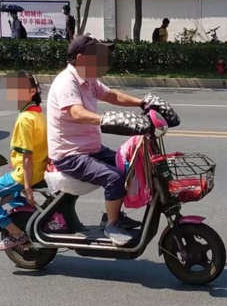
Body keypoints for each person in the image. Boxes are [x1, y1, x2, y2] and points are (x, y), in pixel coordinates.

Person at [47, 36, 153, 245]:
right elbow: (77, 113)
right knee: (113, 177)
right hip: (70, 155)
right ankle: (112, 225)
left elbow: (112, 95)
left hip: (90, 148)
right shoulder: (67, 82)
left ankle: (114, 214)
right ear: (81, 58)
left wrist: (143, 103)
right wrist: (108, 118)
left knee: (129, 164)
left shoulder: (89, 80)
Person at [0, 72, 49, 251]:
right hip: (37, 170)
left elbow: (27, 157)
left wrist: (28, 189)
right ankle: (31, 220)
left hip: (23, 175)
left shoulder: (24, 119)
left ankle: (16, 234)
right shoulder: (37, 115)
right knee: (13, 196)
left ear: (31, 92)